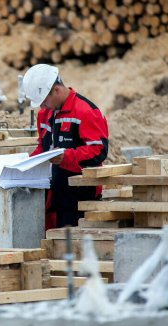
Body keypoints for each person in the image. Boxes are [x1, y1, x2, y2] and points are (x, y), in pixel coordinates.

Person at [23, 64, 109, 229]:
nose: (42, 106)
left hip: (79, 199)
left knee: (71, 249)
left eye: (44, 101)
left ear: (55, 90)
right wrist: (24, 166)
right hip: (53, 195)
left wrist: (66, 157)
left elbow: (98, 151)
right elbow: (43, 147)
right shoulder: (45, 114)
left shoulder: (86, 112)